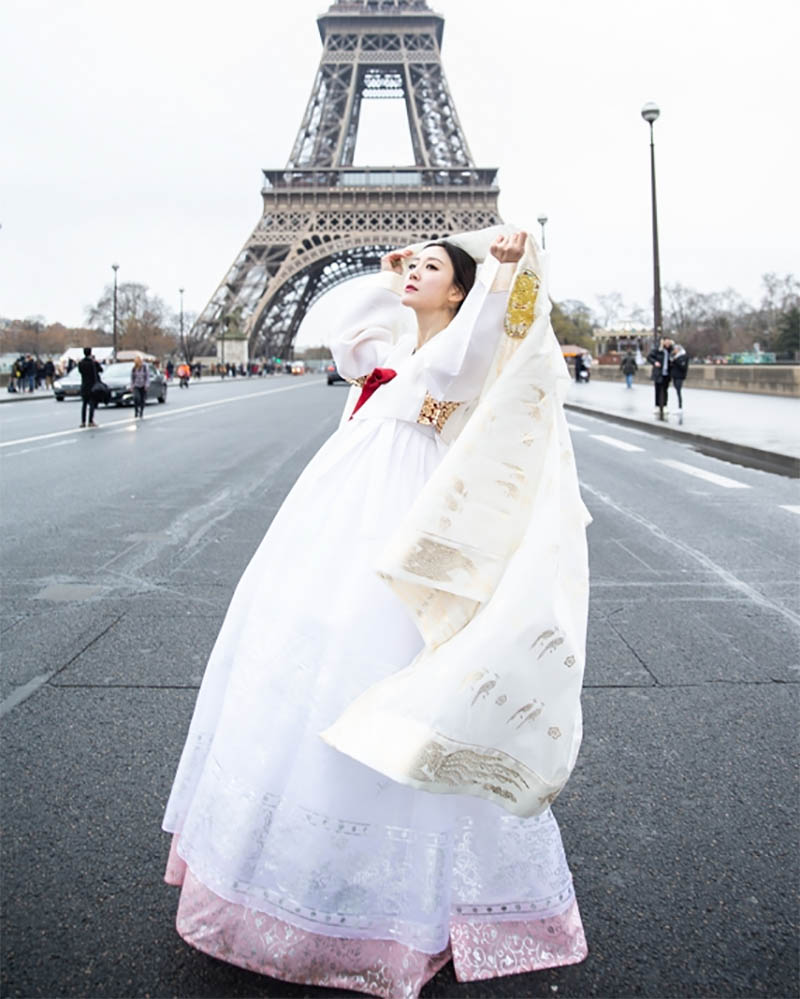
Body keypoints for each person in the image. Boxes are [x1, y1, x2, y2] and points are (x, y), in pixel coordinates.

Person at [162, 230, 589, 998]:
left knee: (381, 651)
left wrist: (496, 275)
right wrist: (384, 275)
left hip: (400, 507)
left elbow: (474, 348)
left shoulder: (458, 352)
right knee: (320, 651)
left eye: (431, 267)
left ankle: (389, 898)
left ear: (457, 292)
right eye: (413, 263)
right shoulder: (393, 343)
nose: (415, 271)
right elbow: (344, 338)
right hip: (341, 503)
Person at [647, 336, 673, 419]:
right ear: (663, 342)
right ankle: (657, 406)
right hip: (658, 372)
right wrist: (655, 362)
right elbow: (649, 357)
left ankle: (665, 406)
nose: (668, 343)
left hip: (667, 373)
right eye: (667, 342)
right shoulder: (658, 349)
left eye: (669, 342)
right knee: (657, 390)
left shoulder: (671, 350)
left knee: (665, 390)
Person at [77, 347, 103, 428]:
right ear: (90, 353)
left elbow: (80, 371)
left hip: (84, 385)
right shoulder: (93, 363)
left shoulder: (81, 363)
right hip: (92, 386)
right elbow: (100, 370)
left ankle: (83, 421)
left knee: (84, 404)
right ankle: (91, 421)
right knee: (91, 403)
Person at [670, 342, 689, 410]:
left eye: (675, 349)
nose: (674, 351)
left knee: (678, 390)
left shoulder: (684, 356)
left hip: (680, 376)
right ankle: (679, 406)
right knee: (677, 389)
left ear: (678, 349)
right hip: (675, 375)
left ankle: (680, 406)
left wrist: (675, 361)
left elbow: (683, 366)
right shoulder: (675, 356)